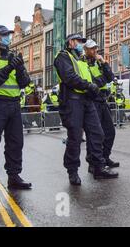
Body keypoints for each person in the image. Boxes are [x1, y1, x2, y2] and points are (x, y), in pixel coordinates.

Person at [54, 33, 118, 186]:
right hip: (72, 101)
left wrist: (92, 86)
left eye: (84, 42)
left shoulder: (81, 59)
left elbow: (94, 78)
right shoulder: (62, 57)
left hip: (87, 100)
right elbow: (69, 77)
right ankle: (73, 171)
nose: (82, 44)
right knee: (75, 138)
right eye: (80, 41)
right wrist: (89, 86)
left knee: (98, 134)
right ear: (71, 42)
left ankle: (98, 167)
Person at [0, 25, 33, 198]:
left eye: (9, 34)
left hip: (14, 105)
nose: (8, 37)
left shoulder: (14, 55)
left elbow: (24, 82)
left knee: (15, 143)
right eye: (4, 34)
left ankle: (13, 177)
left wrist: (20, 67)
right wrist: (9, 68)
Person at [84, 39, 119, 170]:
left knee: (110, 131)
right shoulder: (83, 63)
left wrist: (104, 63)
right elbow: (92, 82)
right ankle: (93, 163)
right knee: (93, 134)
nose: (95, 51)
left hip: (103, 100)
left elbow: (110, 77)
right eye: (92, 49)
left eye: (95, 48)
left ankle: (105, 157)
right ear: (86, 50)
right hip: (92, 101)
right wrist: (102, 79)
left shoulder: (99, 63)